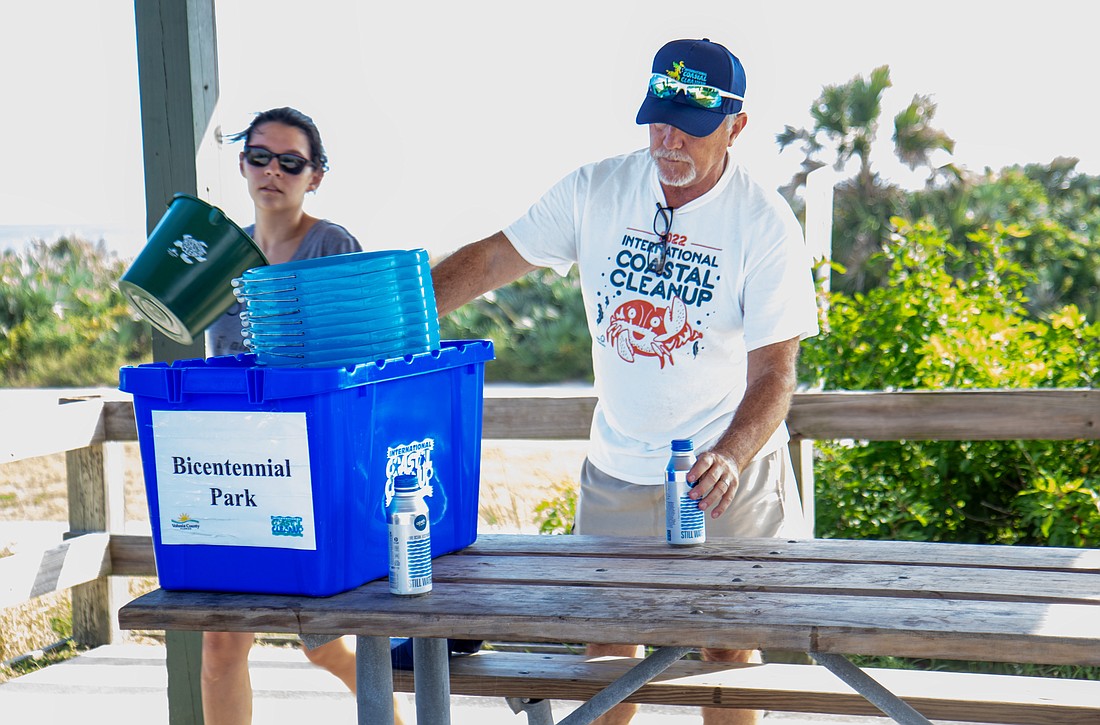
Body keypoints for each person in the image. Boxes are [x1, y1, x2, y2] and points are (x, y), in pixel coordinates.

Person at [429, 39, 819, 725]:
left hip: (730, 467)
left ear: (736, 125)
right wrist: (399, 316)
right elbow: (492, 259)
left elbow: (776, 372)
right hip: (618, 466)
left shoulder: (765, 224)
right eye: (657, 118)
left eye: (690, 127)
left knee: (726, 647)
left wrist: (729, 453)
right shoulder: (596, 189)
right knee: (608, 645)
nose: (668, 140)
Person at [202, 107, 406, 725]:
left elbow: (360, 362)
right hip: (234, 469)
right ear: (241, 164)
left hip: (315, 467)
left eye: (291, 162)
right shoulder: (216, 255)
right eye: (260, 156)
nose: (273, 171)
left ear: (314, 176)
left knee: (320, 641)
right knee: (219, 644)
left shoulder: (332, 247)